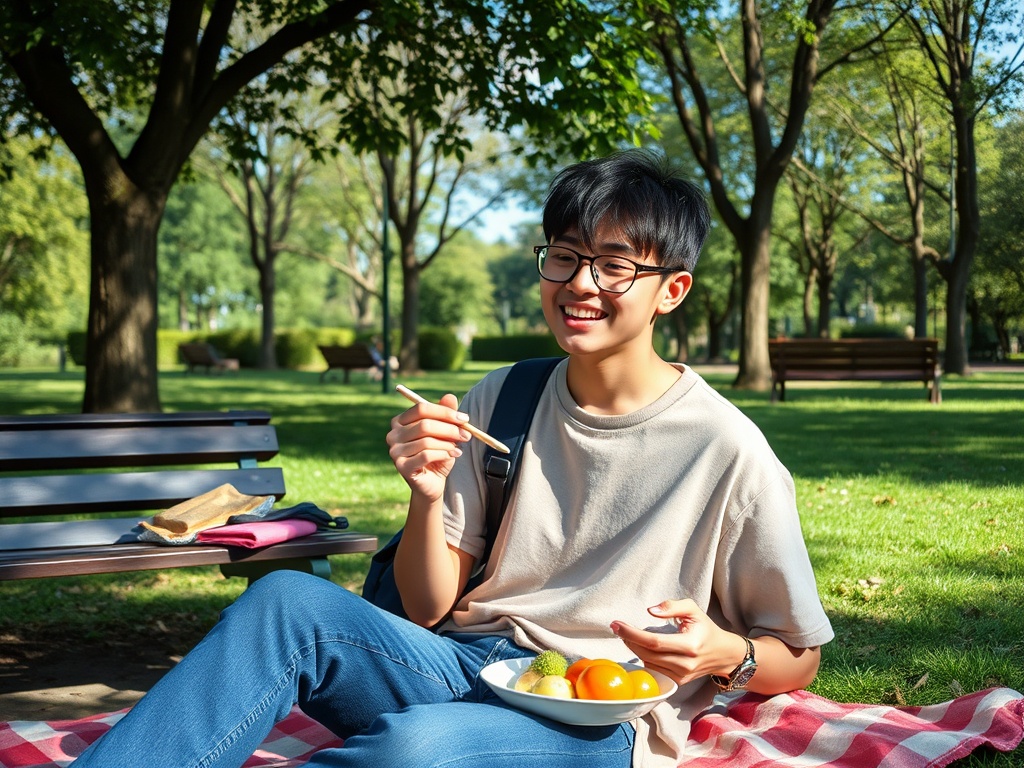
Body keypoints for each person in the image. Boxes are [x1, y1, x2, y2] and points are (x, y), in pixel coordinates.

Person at [72, 150, 833, 768]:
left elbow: (796, 657)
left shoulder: (727, 449)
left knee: (415, 751)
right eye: (563, 257)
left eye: (614, 265)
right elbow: (429, 608)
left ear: (672, 290)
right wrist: (426, 493)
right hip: (458, 663)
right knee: (285, 604)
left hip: (595, 716)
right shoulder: (503, 396)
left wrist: (719, 652)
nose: (579, 285)